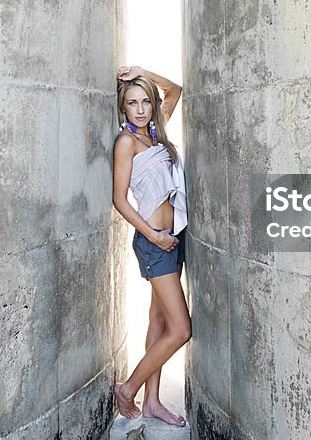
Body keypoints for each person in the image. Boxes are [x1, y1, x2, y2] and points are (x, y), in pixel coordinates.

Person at [112, 65, 191, 427]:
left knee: (158, 320)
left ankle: (153, 402)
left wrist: (142, 72)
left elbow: (174, 89)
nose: (141, 109)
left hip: (172, 237)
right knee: (181, 329)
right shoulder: (126, 142)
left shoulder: (157, 135)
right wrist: (152, 235)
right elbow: (120, 200)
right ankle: (129, 388)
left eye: (145, 101)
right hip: (154, 242)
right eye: (133, 103)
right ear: (123, 108)